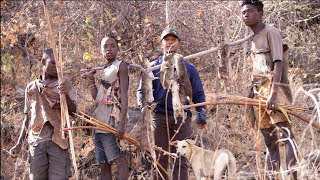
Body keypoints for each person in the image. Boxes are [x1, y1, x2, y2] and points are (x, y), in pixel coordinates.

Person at [137, 28, 207, 180]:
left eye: (173, 40)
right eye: (166, 40)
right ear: (161, 44)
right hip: (159, 117)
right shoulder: (153, 67)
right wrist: (144, 109)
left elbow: (198, 93)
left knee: (181, 159)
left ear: (178, 44)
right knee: (160, 157)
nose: (170, 42)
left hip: (182, 117)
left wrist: (202, 111)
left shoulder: (189, 68)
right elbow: (141, 91)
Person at [241, 0, 297, 179]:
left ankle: (292, 176)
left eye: (250, 11)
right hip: (258, 91)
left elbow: (278, 63)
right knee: (269, 141)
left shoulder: (271, 32)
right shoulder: (252, 39)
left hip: (274, 89)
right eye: (243, 12)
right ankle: (274, 177)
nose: (246, 15)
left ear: (260, 13)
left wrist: (273, 93)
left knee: (286, 136)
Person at [9, 48, 77, 180]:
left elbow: (74, 112)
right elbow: (28, 118)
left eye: (59, 64)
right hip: (36, 142)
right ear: (43, 62)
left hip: (58, 142)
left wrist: (66, 96)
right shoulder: (31, 87)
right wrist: (19, 144)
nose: (57, 67)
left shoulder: (64, 83)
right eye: (53, 63)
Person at [82, 36, 129, 180]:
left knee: (118, 160)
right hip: (99, 122)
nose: (109, 49)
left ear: (117, 48)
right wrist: (90, 79)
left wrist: (121, 124)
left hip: (112, 121)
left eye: (112, 46)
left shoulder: (121, 66)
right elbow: (98, 99)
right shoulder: (104, 69)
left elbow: (125, 95)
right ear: (101, 50)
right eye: (105, 47)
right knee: (103, 164)